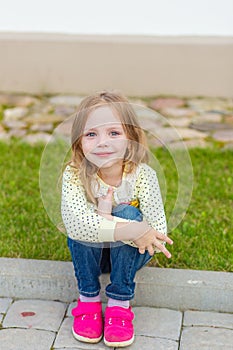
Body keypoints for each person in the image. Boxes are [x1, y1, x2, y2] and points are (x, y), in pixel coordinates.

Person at [61, 90, 173, 348]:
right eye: (92, 134)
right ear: (79, 142)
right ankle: (88, 300)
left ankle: (119, 304)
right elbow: (77, 225)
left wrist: (130, 227)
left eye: (114, 133)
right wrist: (132, 228)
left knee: (125, 211)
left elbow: (157, 232)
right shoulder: (75, 175)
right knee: (82, 222)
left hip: (134, 251)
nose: (103, 142)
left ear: (131, 138)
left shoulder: (143, 175)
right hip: (95, 254)